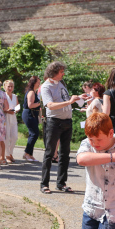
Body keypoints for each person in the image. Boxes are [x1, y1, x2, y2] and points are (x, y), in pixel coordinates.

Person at [40, 61, 84, 194]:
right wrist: (69, 101)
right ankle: (44, 184)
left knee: (65, 154)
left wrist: (79, 98)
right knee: (49, 153)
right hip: (54, 122)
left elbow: (65, 99)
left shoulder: (61, 83)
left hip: (67, 121)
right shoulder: (46, 86)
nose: (63, 73)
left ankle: (61, 183)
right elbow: (50, 105)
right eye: (61, 71)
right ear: (53, 72)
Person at [22, 76, 41, 162]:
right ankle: (26, 153)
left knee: (33, 134)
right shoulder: (31, 92)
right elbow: (30, 105)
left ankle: (30, 154)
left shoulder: (34, 92)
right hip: (30, 114)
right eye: (38, 82)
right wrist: (40, 103)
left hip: (33, 114)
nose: (39, 84)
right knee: (34, 134)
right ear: (34, 83)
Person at [3, 79, 19, 163]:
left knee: (14, 137)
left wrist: (16, 110)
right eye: (8, 86)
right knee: (7, 137)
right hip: (6, 117)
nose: (10, 88)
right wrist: (7, 110)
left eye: (11, 86)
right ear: (5, 87)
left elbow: (17, 105)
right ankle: (7, 155)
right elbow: (1, 107)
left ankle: (10, 152)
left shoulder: (15, 96)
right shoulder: (3, 95)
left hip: (13, 117)